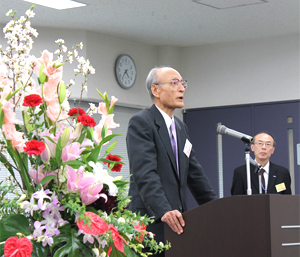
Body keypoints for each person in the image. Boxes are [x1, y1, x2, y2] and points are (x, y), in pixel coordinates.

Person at [126, 66, 217, 256]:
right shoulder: (141, 122)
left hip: (178, 223)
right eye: (174, 83)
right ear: (156, 90)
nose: (182, 89)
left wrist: (217, 209)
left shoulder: (181, 127)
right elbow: (145, 174)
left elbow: (195, 174)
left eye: (183, 84)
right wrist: (164, 210)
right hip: (151, 221)